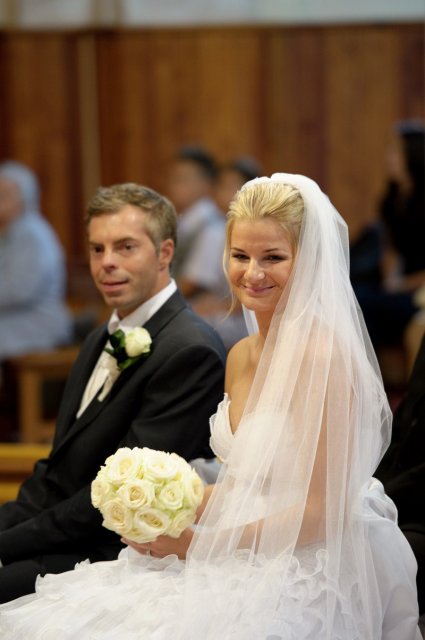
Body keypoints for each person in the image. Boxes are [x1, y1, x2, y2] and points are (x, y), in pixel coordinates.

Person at [0, 174, 421, 639]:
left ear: (308, 261)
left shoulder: (324, 359)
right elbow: (244, 484)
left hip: (307, 558)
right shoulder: (239, 355)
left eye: (273, 257)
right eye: (240, 256)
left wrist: (201, 547)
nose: (252, 273)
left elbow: (321, 510)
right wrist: (165, 500)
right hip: (237, 539)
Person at [0, 183, 226, 604]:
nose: (107, 262)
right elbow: (56, 471)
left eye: (125, 247)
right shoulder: (99, 338)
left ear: (164, 253)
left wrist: (7, 545)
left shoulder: (190, 351)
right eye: (97, 249)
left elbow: (116, 500)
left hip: (117, 554)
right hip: (66, 536)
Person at [0, 160, 72, 363]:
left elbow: (19, 290)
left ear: (24, 198)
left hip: (34, 323)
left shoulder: (32, 234)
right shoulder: (9, 233)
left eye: (5, 194)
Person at [376, 332, 425, 619]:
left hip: (418, 513)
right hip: (400, 492)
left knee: (367, 565)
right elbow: (405, 420)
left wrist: (382, 496)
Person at [167, 145, 226, 301]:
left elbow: (193, 283)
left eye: (183, 179)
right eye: (174, 178)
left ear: (206, 184)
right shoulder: (184, 221)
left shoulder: (213, 227)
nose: (174, 186)